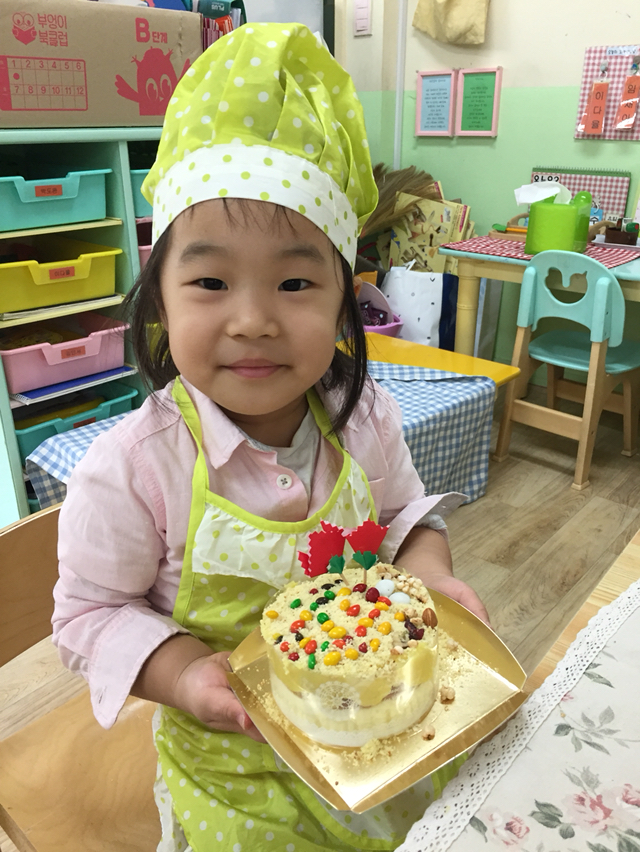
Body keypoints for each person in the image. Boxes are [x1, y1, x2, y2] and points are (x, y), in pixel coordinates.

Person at [52, 22, 489, 852]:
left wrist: (431, 577)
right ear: (159, 298)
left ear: (344, 301)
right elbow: (90, 615)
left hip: (375, 730)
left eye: (293, 282)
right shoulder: (135, 467)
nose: (252, 319)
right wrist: (185, 673)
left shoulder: (365, 417)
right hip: (233, 761)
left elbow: (406, 520)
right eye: (210, 281)